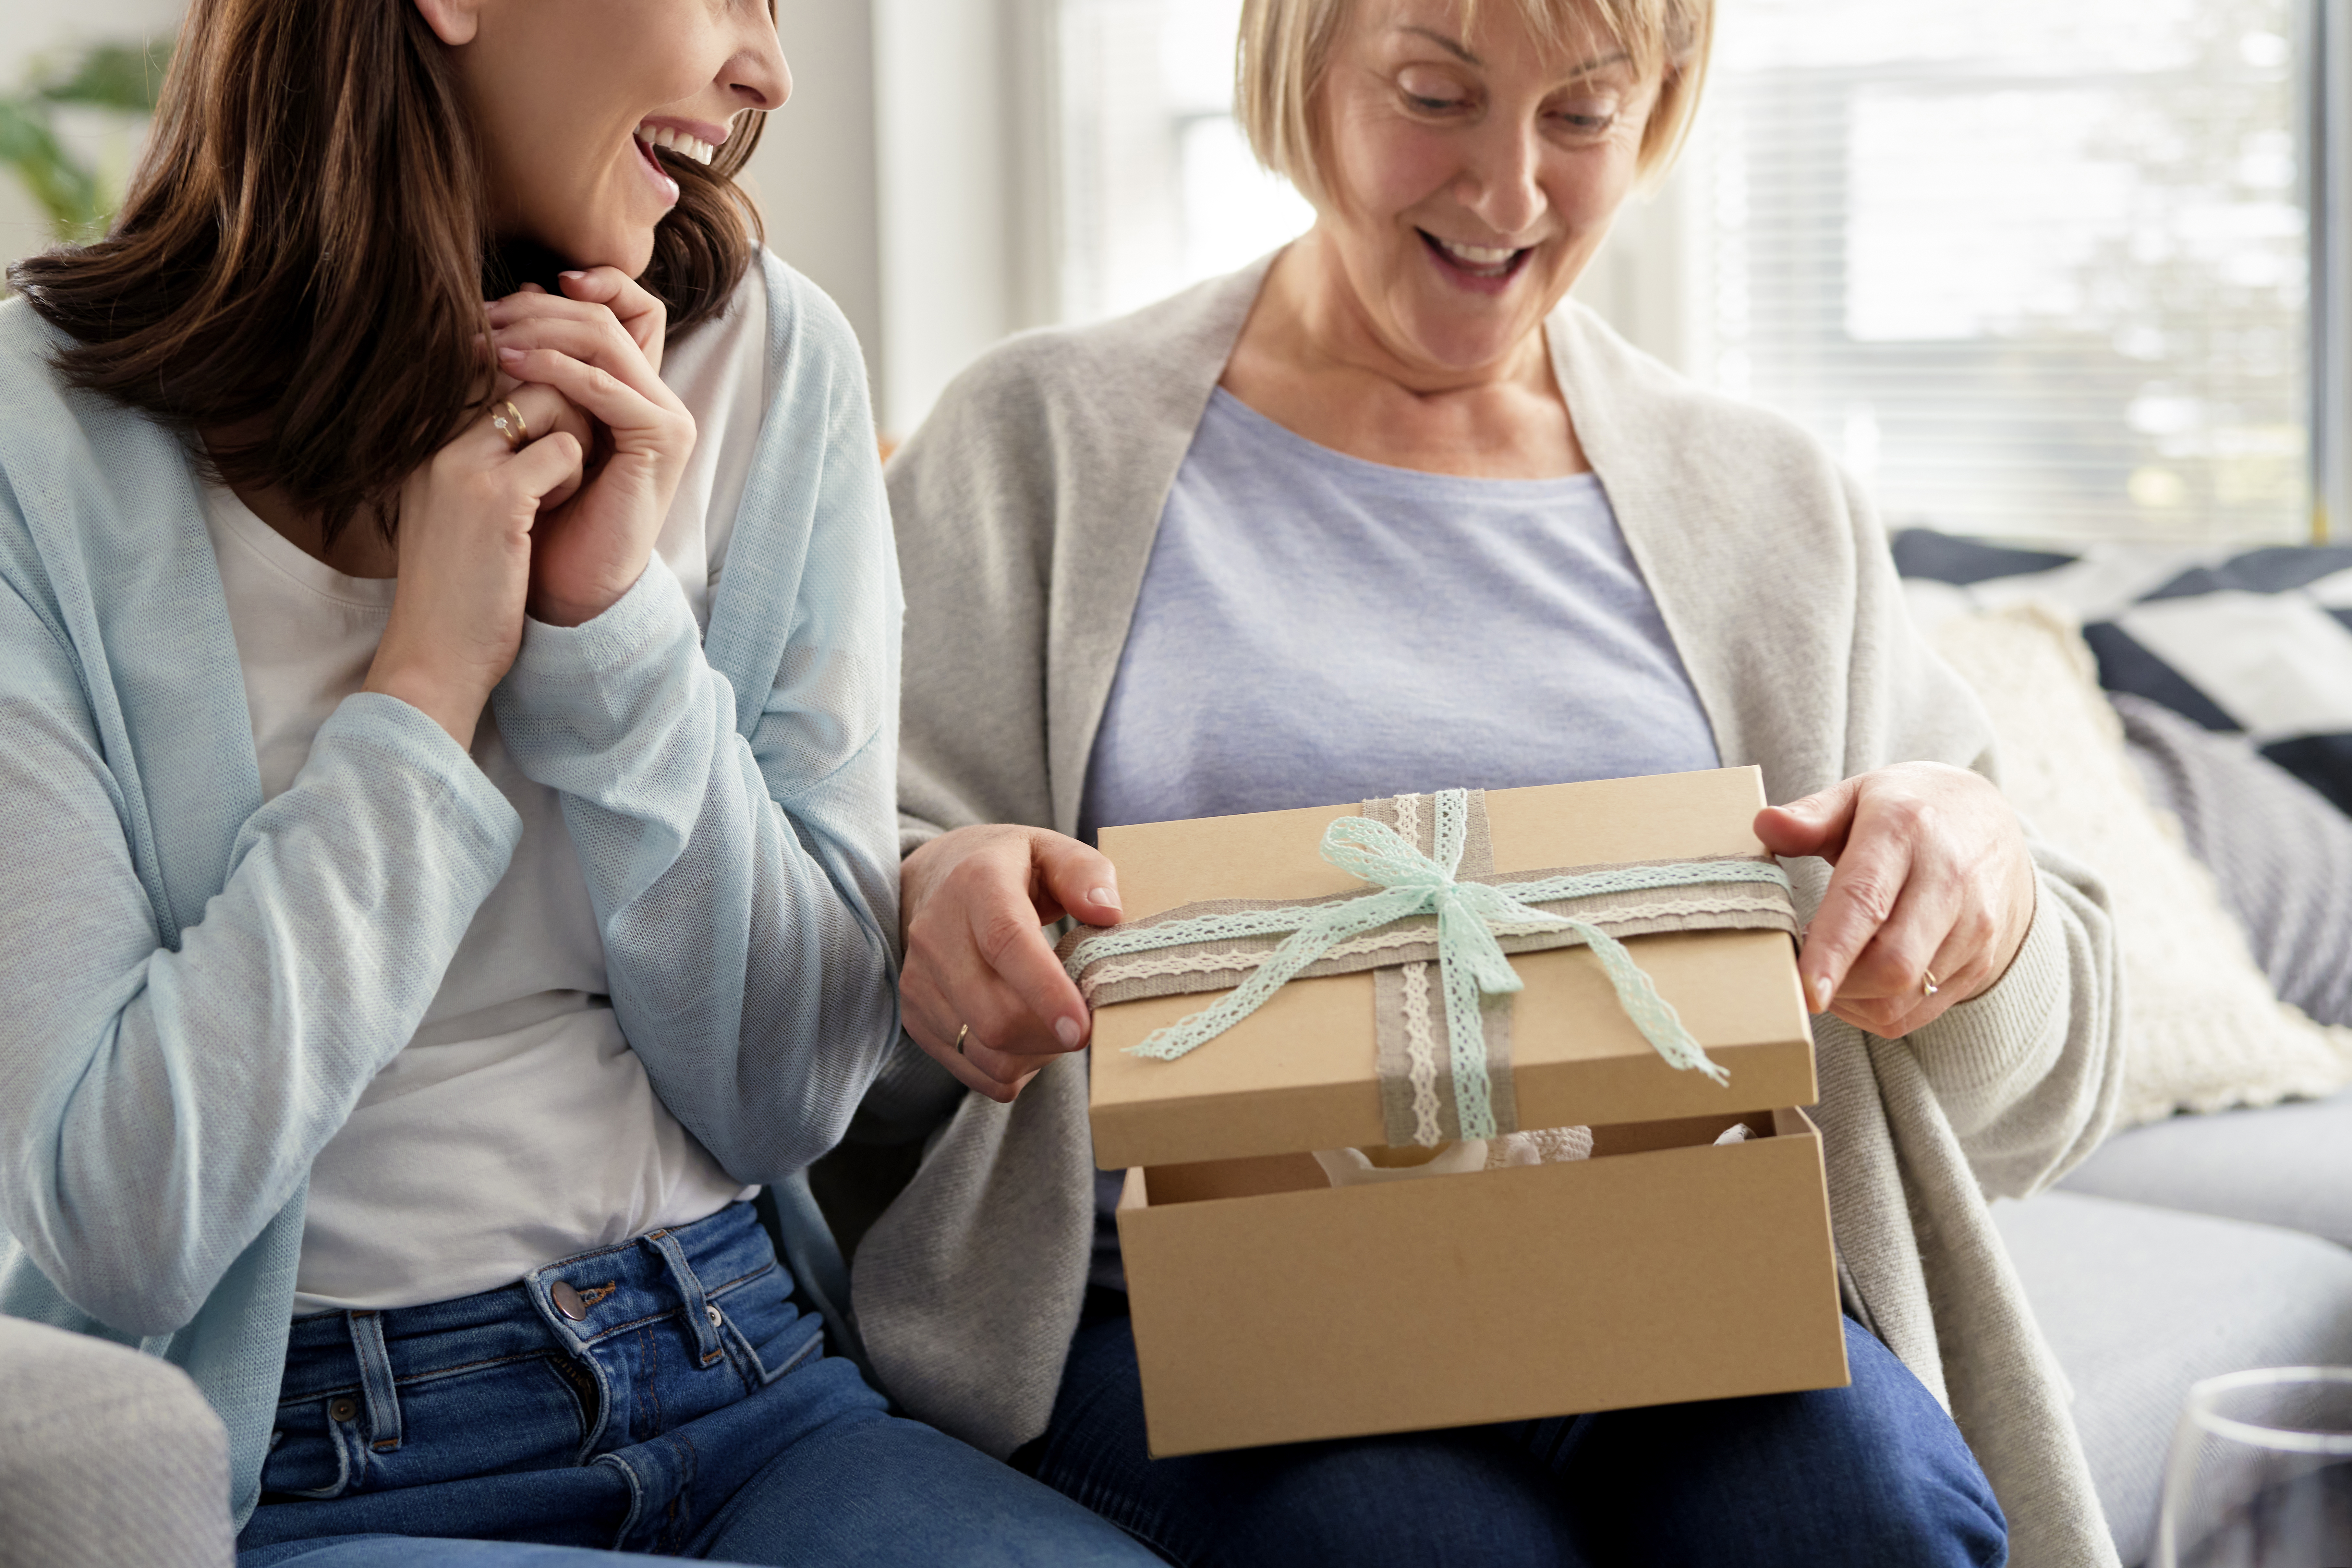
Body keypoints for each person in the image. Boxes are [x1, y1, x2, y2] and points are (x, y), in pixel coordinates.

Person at [853, 0, 2127, 1563]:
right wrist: (930, 903)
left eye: (1579, 117)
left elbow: (2037, 1103)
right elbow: (835, 957)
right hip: (1185, 1314)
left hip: (1667, 1294)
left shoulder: (1773, 506)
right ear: (1297, 74)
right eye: (1436, 95)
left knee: (1866, 1515)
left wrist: (1982, 903)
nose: (1507, 190)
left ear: (1654, 113)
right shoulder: (1032, 440)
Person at [0, 1, 1156, 1563]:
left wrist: (612, 641)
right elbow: (121, 1221)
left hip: (748, 1369)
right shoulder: (41, 441)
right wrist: (425, 688)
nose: (772, 71)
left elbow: (785, 1093)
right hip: (320, 1461)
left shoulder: (770, 355)